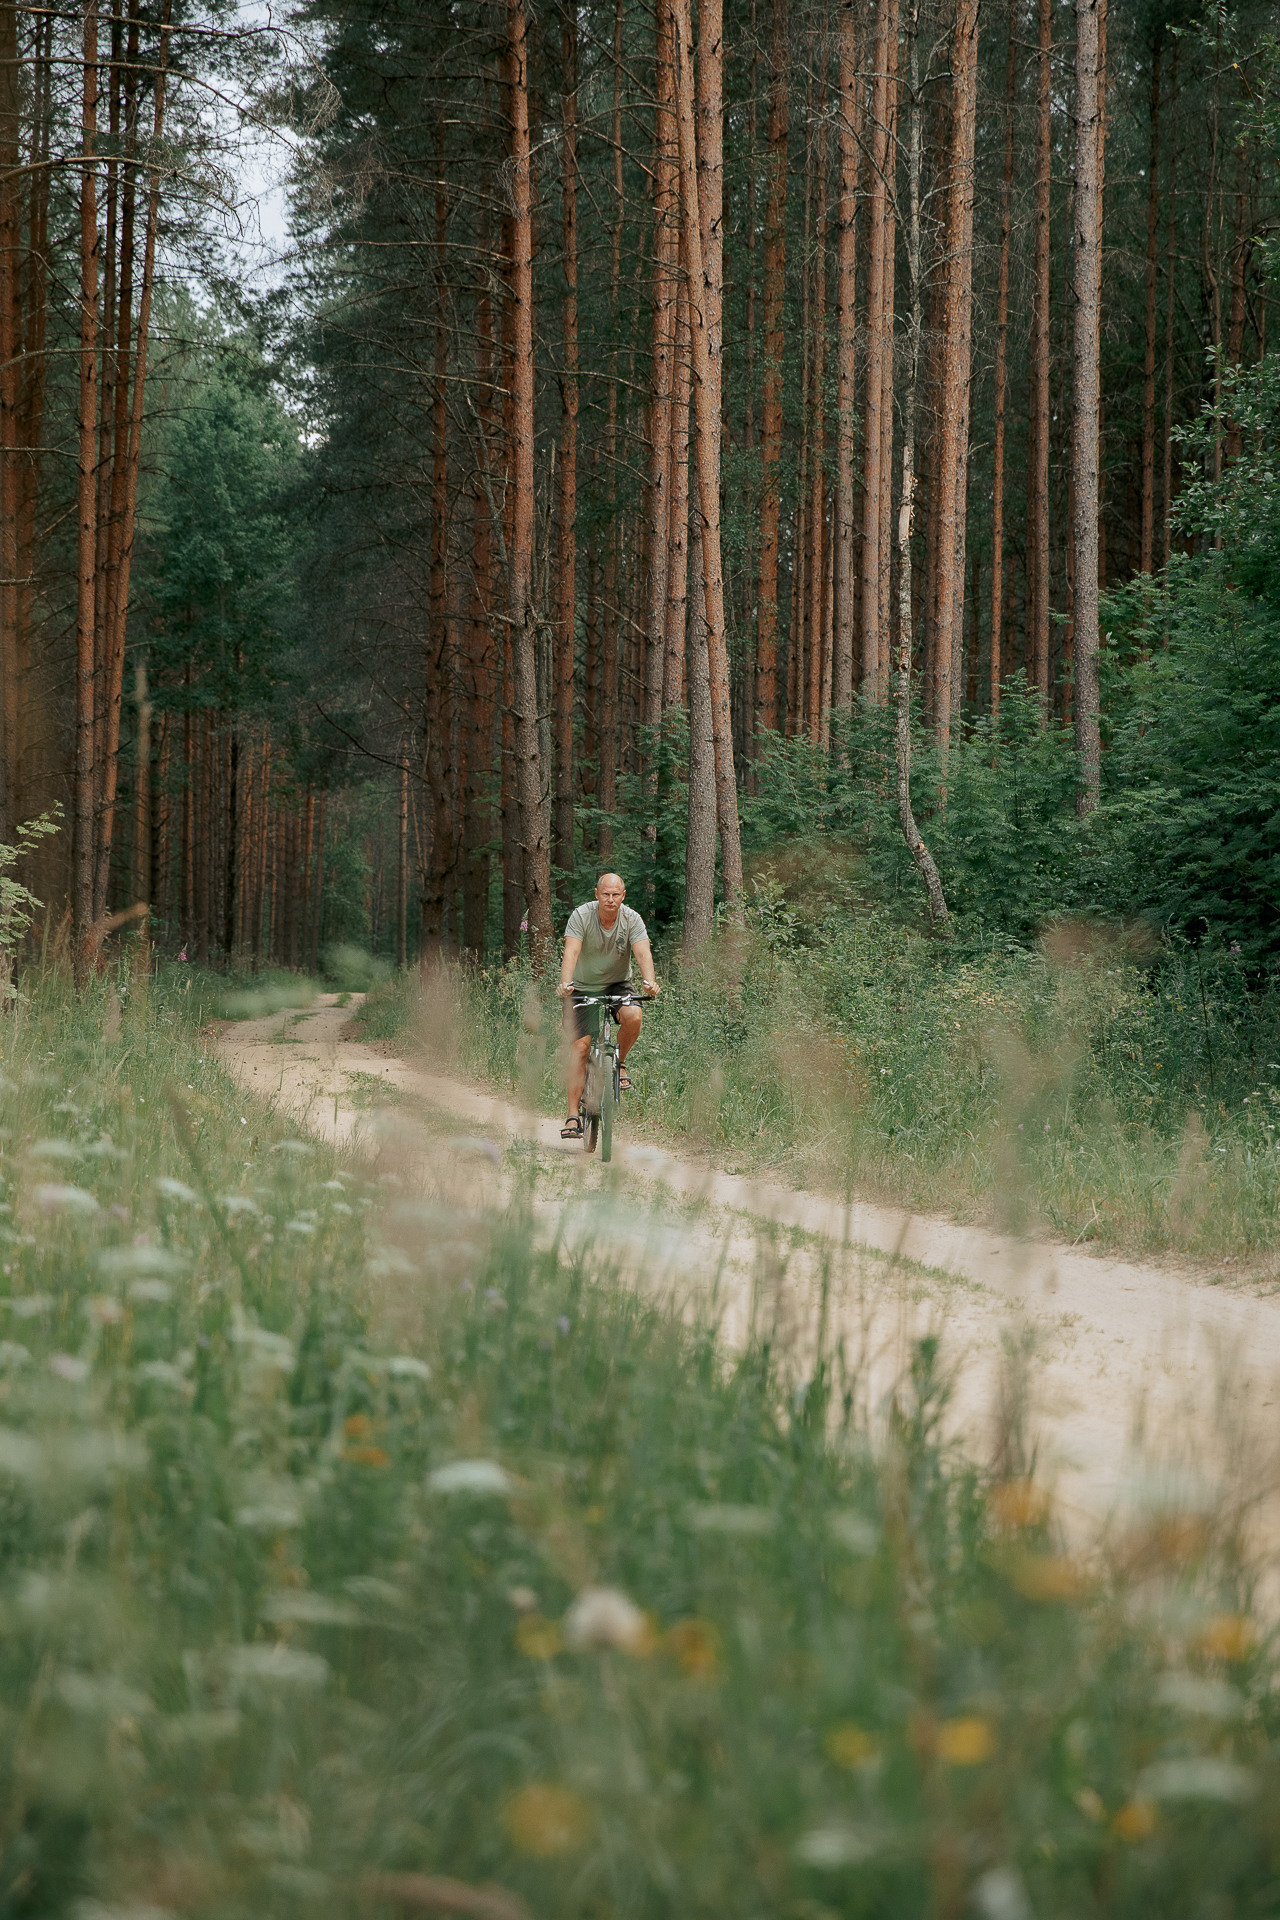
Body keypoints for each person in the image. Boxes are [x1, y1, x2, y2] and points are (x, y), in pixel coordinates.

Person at [556, 872, 660, 1139]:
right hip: (582, 985)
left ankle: (619, 1062)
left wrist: (649, 981)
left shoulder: (632, 919)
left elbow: (642, 952)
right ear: (597, 894)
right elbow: (571, 951)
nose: (610, 899)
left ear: (623, 896)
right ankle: (572, 1115)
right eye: (606, 894)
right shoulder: (581, 915)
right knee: (580, 1047)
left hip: (618, 983)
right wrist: (565, 983)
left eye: (615, 894)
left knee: (634, 1015)